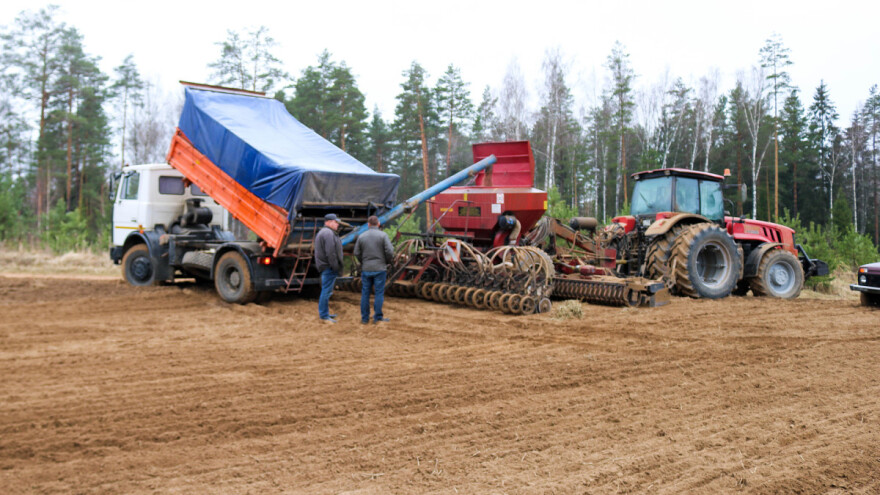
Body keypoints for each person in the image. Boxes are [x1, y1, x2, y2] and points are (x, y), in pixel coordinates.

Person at [353, 215, 395, 324]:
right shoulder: (383, 235)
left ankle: (364, 318)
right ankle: (377, 318)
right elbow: (390, 251)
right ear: (378, 224)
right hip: (380, 269)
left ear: (368, 224)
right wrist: (385, 261)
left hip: (366, 269)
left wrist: (363, 262)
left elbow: (356, 253)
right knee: (379, 293)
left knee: (365, 294)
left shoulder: (362, 236)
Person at [314, 213, 344, 323]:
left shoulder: (325, 232)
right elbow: (331, 253)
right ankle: (324, 316)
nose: (337, 224)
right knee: (326, 292)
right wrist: (335, 266)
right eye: (336, 222)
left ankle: (325, 314)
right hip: (328, 267)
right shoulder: (328, 234)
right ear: (329, 222)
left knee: (327, 291)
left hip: (326, 266)